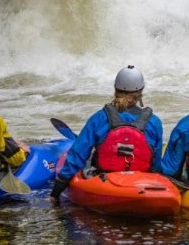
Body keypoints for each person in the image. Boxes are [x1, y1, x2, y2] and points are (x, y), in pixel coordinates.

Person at [50, 65, 164, 201]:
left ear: (115, 89)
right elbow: (156, 163)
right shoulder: (154, 121)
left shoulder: (100, 117)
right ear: (141, 91)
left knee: (88, 159)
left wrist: (56, 192)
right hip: (141, 182)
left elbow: (77, 155)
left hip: (105, 179)